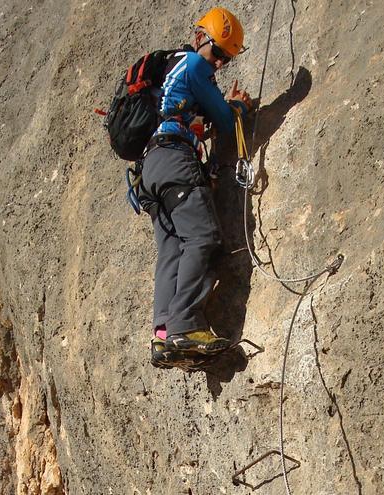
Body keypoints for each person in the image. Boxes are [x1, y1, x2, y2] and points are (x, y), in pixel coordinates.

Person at [140, 7, 252, 369]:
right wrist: (239, 107)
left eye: (225, 58)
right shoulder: (193, 65)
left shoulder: (173, 73)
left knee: (172, 249)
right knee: (202, 237)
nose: (218, 63)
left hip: (150, 171)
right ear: (200, 37)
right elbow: (223, 117)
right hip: (174, 160)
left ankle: (163, 333)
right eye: (217, 52)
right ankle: (184, 326)